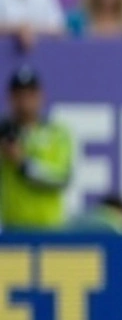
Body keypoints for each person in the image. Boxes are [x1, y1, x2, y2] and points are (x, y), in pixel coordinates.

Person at [0, 66, 73, 230]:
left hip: (49, 230)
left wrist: (23, 164)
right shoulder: (4, 133)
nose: (24, 101)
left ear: (40, 96)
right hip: (13, 230)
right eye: (19, 94)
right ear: (10, 98)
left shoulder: (57, 134)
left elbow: (60, 178)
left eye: (30, 94)